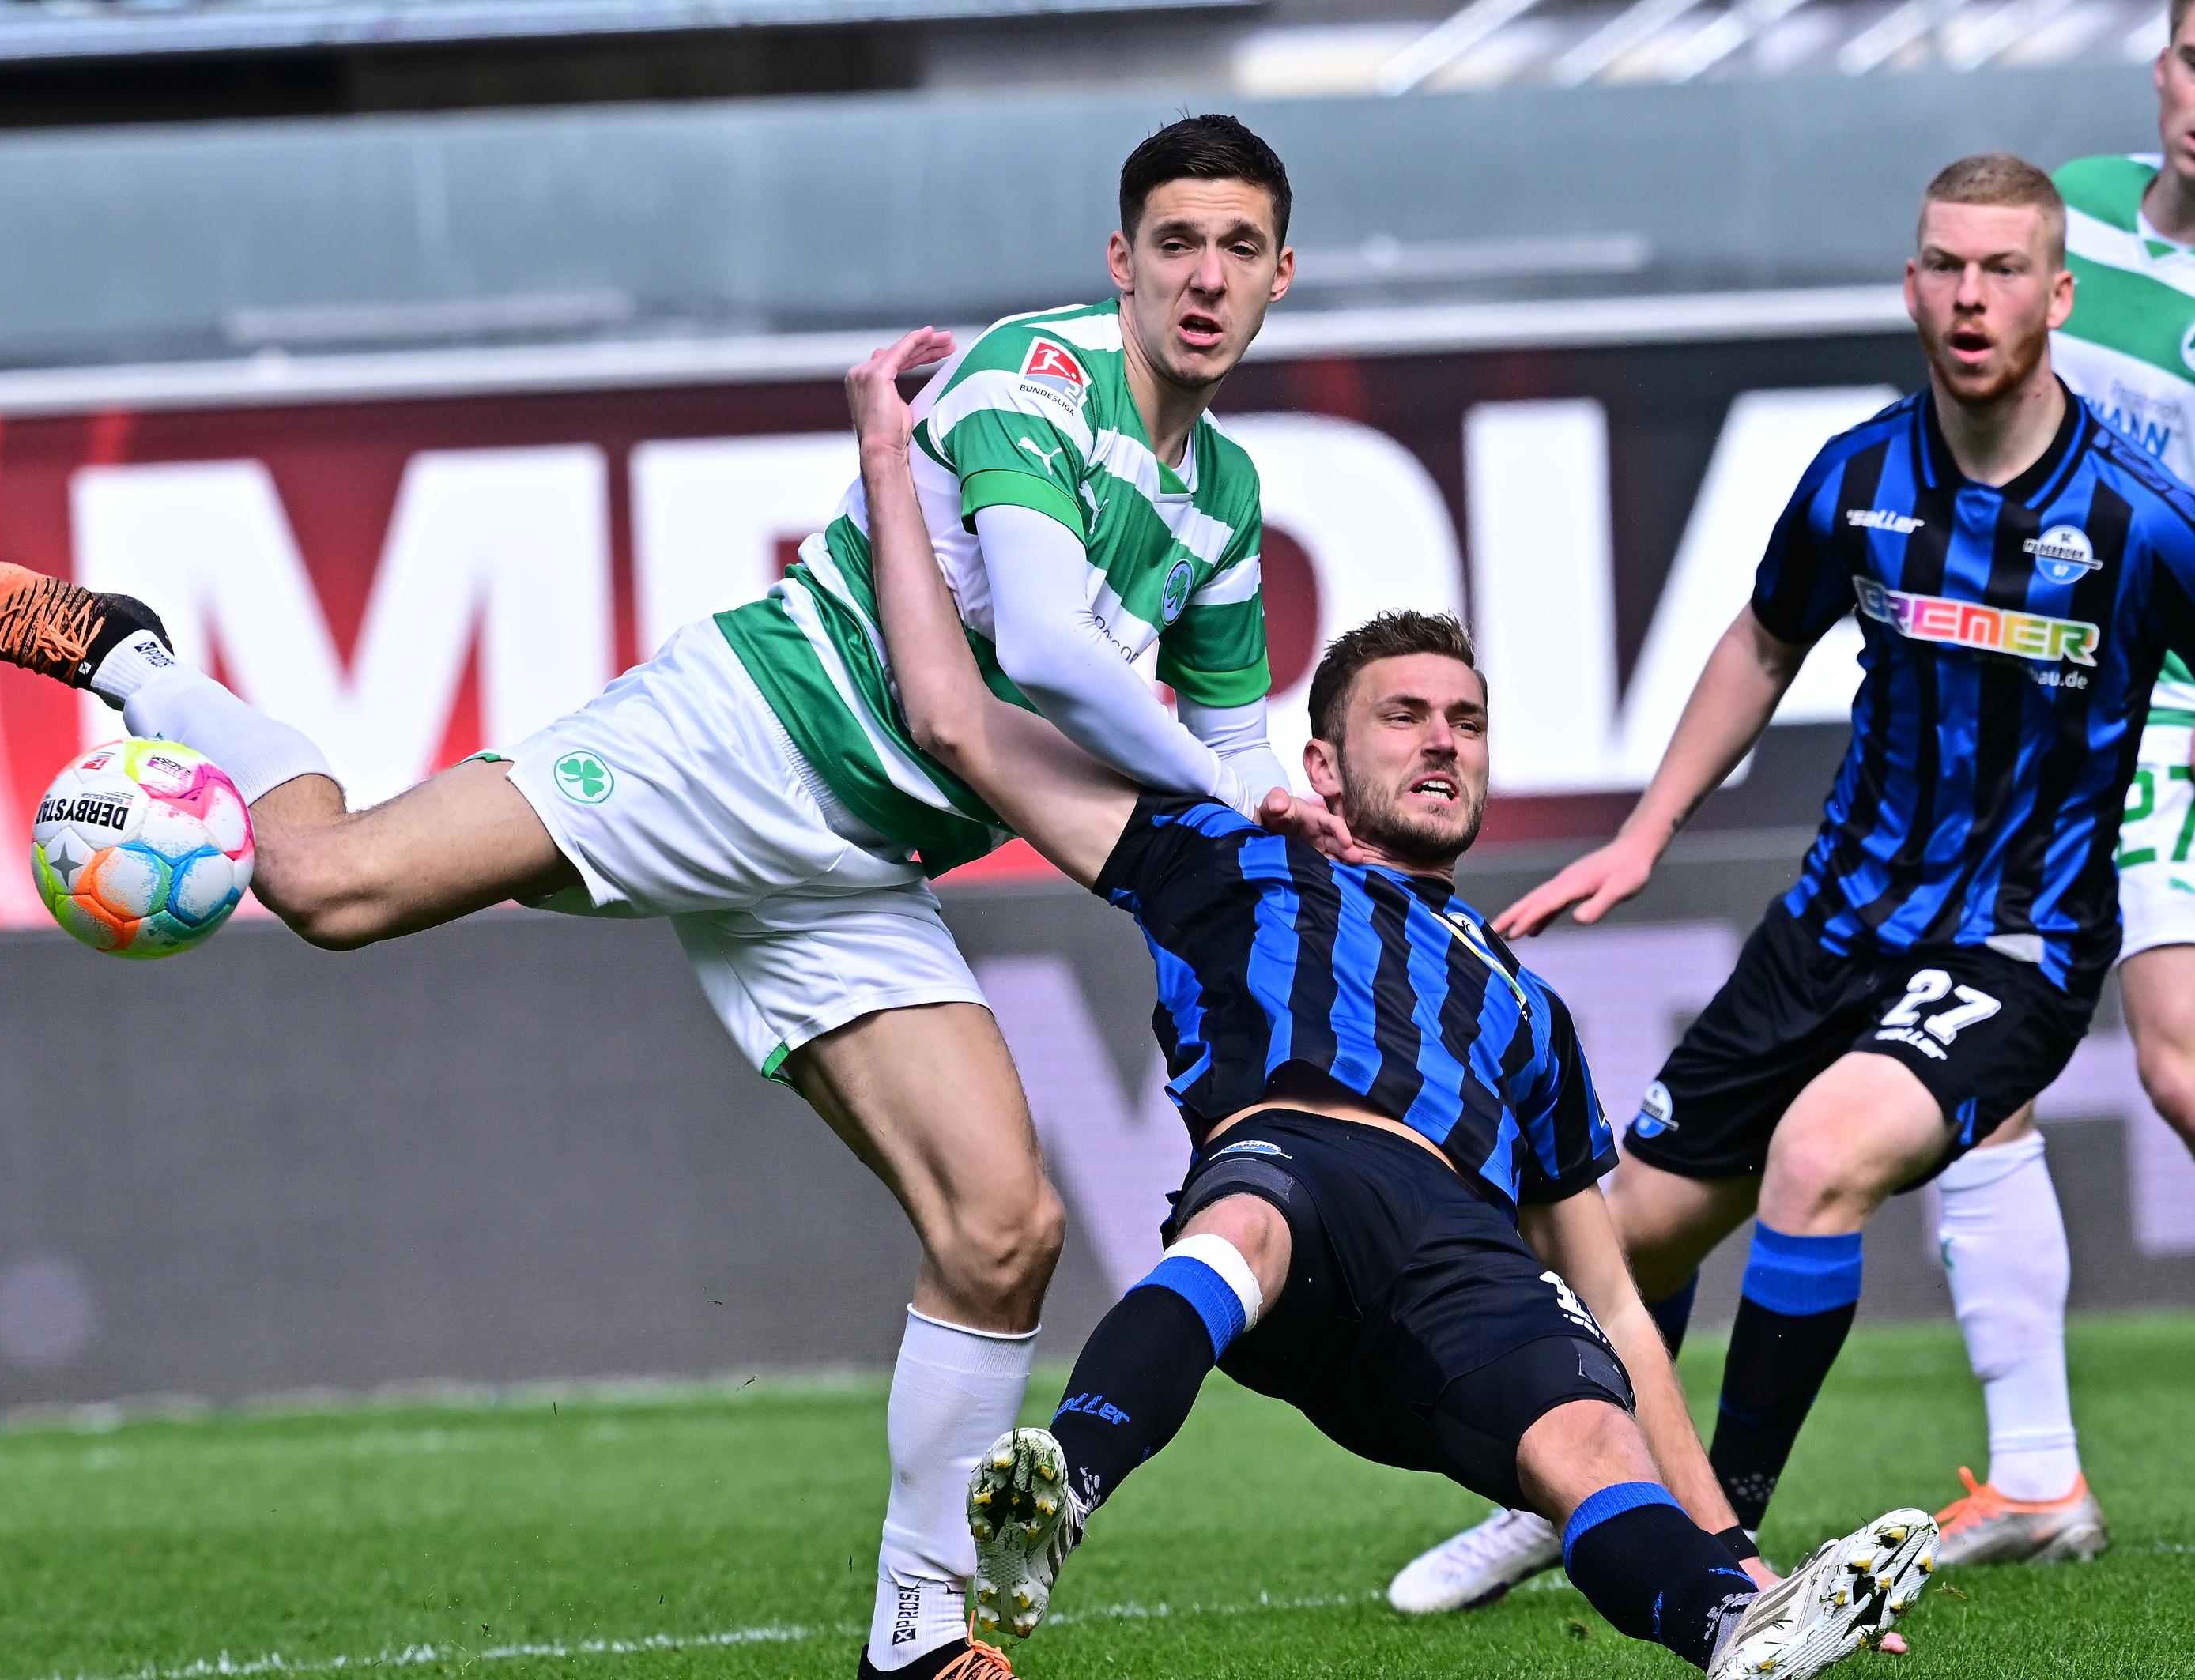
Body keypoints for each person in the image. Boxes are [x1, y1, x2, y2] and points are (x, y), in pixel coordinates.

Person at [0, 115, 1347, 1680]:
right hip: (735, 739)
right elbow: (1053, 654)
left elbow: (1231, 744)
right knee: (324, 883)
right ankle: (138, 660)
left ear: (1282, 274)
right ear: (1120, 261)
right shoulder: (1033, 380)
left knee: (1006, 1227)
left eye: (1239, 249)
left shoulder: (1223, 494)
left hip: (861, 866)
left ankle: (921, 1637)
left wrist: (1286, 806)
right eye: (1176, 244)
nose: (1206, 278)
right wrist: (1236, 798)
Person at [835, 325, 1939, 1679]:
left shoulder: (1528, 1007)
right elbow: (952, 716)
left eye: (1466, 722)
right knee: (1251, 1213)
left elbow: (1613, 1291)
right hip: (1294, 1191)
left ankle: (1731, 1625)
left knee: (1591, 1428)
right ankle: (1057, 1489)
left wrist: (1733, 1544)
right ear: (1320, 760)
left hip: (1457, 1264)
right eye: (1404, 715)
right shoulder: (1220, 846)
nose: (1442, 741)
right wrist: (888, 457)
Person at [1387, 149, 2195, 1612]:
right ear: (1910, 285)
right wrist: (1645, 833)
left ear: (2060, 295)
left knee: (1819, 1159)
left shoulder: (2143, 522)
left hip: (2016, 942)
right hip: (1830, 926)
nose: (1970, 295)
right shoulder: (1858, 478)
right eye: (1945, 264)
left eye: (2003, 269)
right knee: (1604, 1236)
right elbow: (1762, 645)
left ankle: (1725, 1542)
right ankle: (1587, 1484)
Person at [1897, 9, 2195, 1570]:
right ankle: (2034, 1475)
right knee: (1973, 1052)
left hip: (2173, 695)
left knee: (2179, 1067)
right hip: (2052, 704)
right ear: (2161, 64)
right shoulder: (2068, 210)